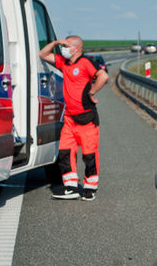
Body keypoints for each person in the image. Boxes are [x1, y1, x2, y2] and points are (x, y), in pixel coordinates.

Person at [39, 36, 109, 200]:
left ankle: (90, 188)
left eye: (67, 45)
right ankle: (70, 187)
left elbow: (103, 76)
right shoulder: (64, 62)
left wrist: (91, 92)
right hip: (70, 118)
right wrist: (56, 43)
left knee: (89, 155)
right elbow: (43, 54)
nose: (63, 47)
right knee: (65, 152)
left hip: (87, 117)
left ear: (76, 48)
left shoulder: (85, 62)